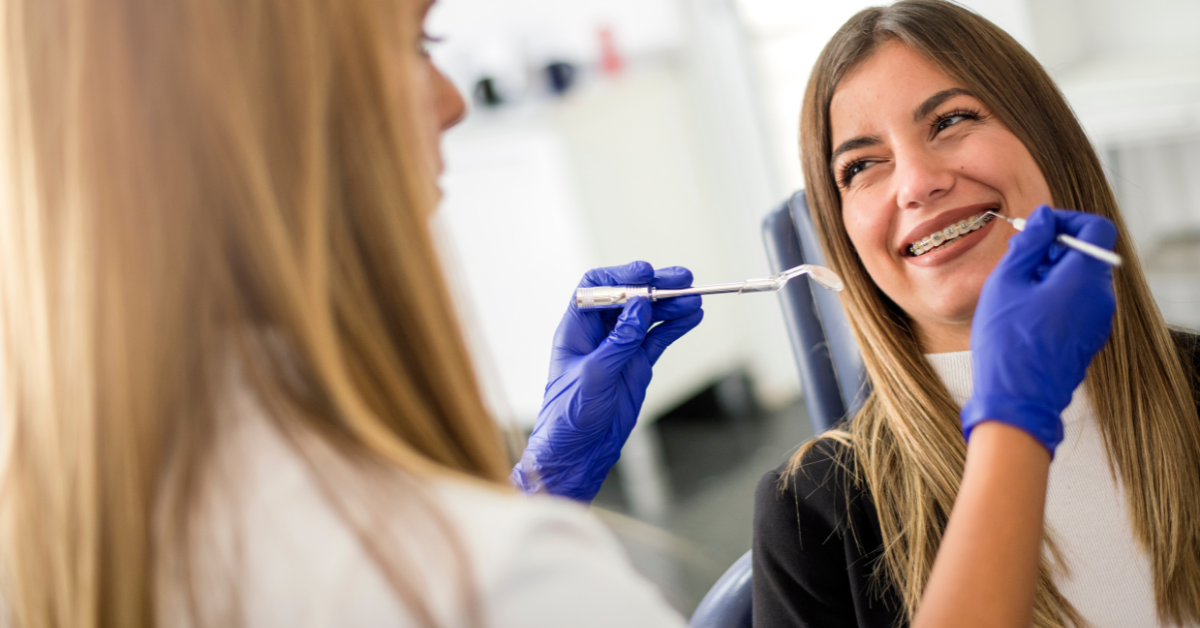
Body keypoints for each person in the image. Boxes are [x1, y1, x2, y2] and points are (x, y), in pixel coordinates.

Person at [0, 0, 1126, 626]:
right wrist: (1016, 420)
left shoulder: (69, 531)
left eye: (954, 121)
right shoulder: (807, 515)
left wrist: (535, 491)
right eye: (413, 42)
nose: (451, 100)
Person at [752, 2, 1200, 627]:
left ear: (1050, 139)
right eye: (861, 166)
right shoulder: (814, 511)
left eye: (951, 119)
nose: (916, 183)